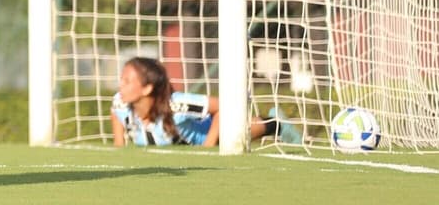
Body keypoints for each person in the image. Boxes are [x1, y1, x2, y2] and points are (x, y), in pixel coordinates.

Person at [111, 56, 304, 147]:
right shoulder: (120, 103)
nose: (121, 85)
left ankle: (276, 123)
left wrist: (209, 145)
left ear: (147, 88)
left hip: (209, 134)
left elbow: (223, 107)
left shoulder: (176, 105)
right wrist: (119, 143)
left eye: (127, 81)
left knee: (237, 134)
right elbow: (115, 112)